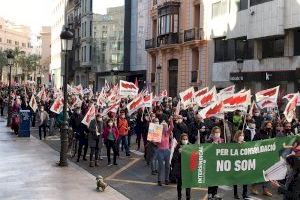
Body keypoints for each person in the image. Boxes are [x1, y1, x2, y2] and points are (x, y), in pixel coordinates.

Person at [251, 121, 273, 196]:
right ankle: (253, 187)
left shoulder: (270, 134)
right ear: (264, 126)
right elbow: (253, 143)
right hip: (259, 156)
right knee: (259, 173)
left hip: (267, 156)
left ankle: (265, 190)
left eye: (270, 126)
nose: (269, 127)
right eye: (268, 126)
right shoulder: (258, 134)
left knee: (267, 173)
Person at [171, 133, 191, 200]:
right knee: (179, 184)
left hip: (188, 169)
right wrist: (179, 153)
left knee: (188, 184)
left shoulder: (190, 146)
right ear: (181, 140)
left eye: (186, 139)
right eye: (183, 139)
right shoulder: (178, 146)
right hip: (180, 169)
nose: (185, 140)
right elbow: (174, 158)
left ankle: (188, 197)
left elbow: (194, 156)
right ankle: (179, 197)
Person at [232, 130, 250, 199]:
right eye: (240, 135)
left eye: (243, 135)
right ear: (237, 136)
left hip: (243, 163)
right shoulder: (233, 143)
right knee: (235, 179)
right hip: (236, 164)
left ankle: (244, 194)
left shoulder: (245, 143)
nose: (242, 137)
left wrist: (245, 145)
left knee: (245, 179)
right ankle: (235, 194)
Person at [207, 126, 223, 200]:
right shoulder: (209, 141)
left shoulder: (221, 141)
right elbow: (206, 150)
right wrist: (212, 144)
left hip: (219, 162)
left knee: (216, 178)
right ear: (213, 133)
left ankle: (215, 193)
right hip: (211, 162)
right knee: (211, 178)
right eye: (216, 132)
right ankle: (210, 193)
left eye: (218, 132)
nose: (217, 134)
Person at [157, 118, 174, 186]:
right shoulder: (158, 134)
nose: (165, 127)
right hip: (160, 151)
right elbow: (156, 143)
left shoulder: (168, 133)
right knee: (160, 166)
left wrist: (171, 121)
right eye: (163, 126)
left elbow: (172, 127)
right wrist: (154, 141)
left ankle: (166, 179)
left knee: (167, 166)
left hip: (167, 151)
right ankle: (159, 180)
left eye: (166, 126)